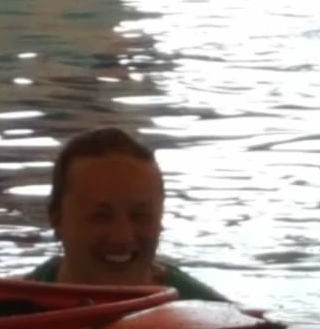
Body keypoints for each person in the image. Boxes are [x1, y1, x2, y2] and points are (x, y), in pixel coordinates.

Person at [28, 127, 226, 300]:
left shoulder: (214, 318)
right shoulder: (16, 310)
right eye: (101, 216)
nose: (122, 237)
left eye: (140, 216)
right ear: (57, 219)